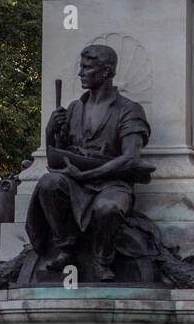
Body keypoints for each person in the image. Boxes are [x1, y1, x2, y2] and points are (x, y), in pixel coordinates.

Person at [24, 44, 153, 281]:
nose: (81, 73)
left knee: (108, 208)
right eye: (81, 67)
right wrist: (50, 131)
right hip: (76, 181)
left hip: (112, 183)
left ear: (105, 72)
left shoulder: (129, 110)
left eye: (87, 67)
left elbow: (130, 158)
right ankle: (66, 248)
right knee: (49, 183)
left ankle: (102, 258)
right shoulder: (74, 108)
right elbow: (57, 156)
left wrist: (90, 175)